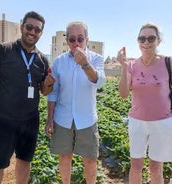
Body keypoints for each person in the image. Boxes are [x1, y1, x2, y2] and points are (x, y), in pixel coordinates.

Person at [0, 11, 55, 184]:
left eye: (37, 29)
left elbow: (44, 91)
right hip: (3, 119)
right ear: (22, 27)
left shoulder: (42, 60)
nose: (32, 32)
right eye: (29, 27)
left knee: (25, 161)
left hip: (30, 120)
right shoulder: (4, 50)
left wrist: (48, 84)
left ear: (41, 33)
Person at [116, 23, 172, 184]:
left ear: (158, 41)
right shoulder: (132, 65)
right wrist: (124, 67)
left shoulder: (168, 62)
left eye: (151, 38)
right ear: (138, 41)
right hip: (137, 122)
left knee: (155, 168)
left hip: (161, 122)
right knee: (135, 166)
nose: (146, 42)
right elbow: (124, 94)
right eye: (142, 38)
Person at [45, 21, 106, 184]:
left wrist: (85, 64)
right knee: (65, 157)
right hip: (62, 118)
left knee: (90, 160)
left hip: (86, 119)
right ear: (67, 41)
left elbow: (98, 81)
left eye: (80, 38)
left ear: (87, 39)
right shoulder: (59, 62)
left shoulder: (96, 59)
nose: (76, 43)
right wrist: (49, 119)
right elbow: (53, 92)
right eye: (72, 39)